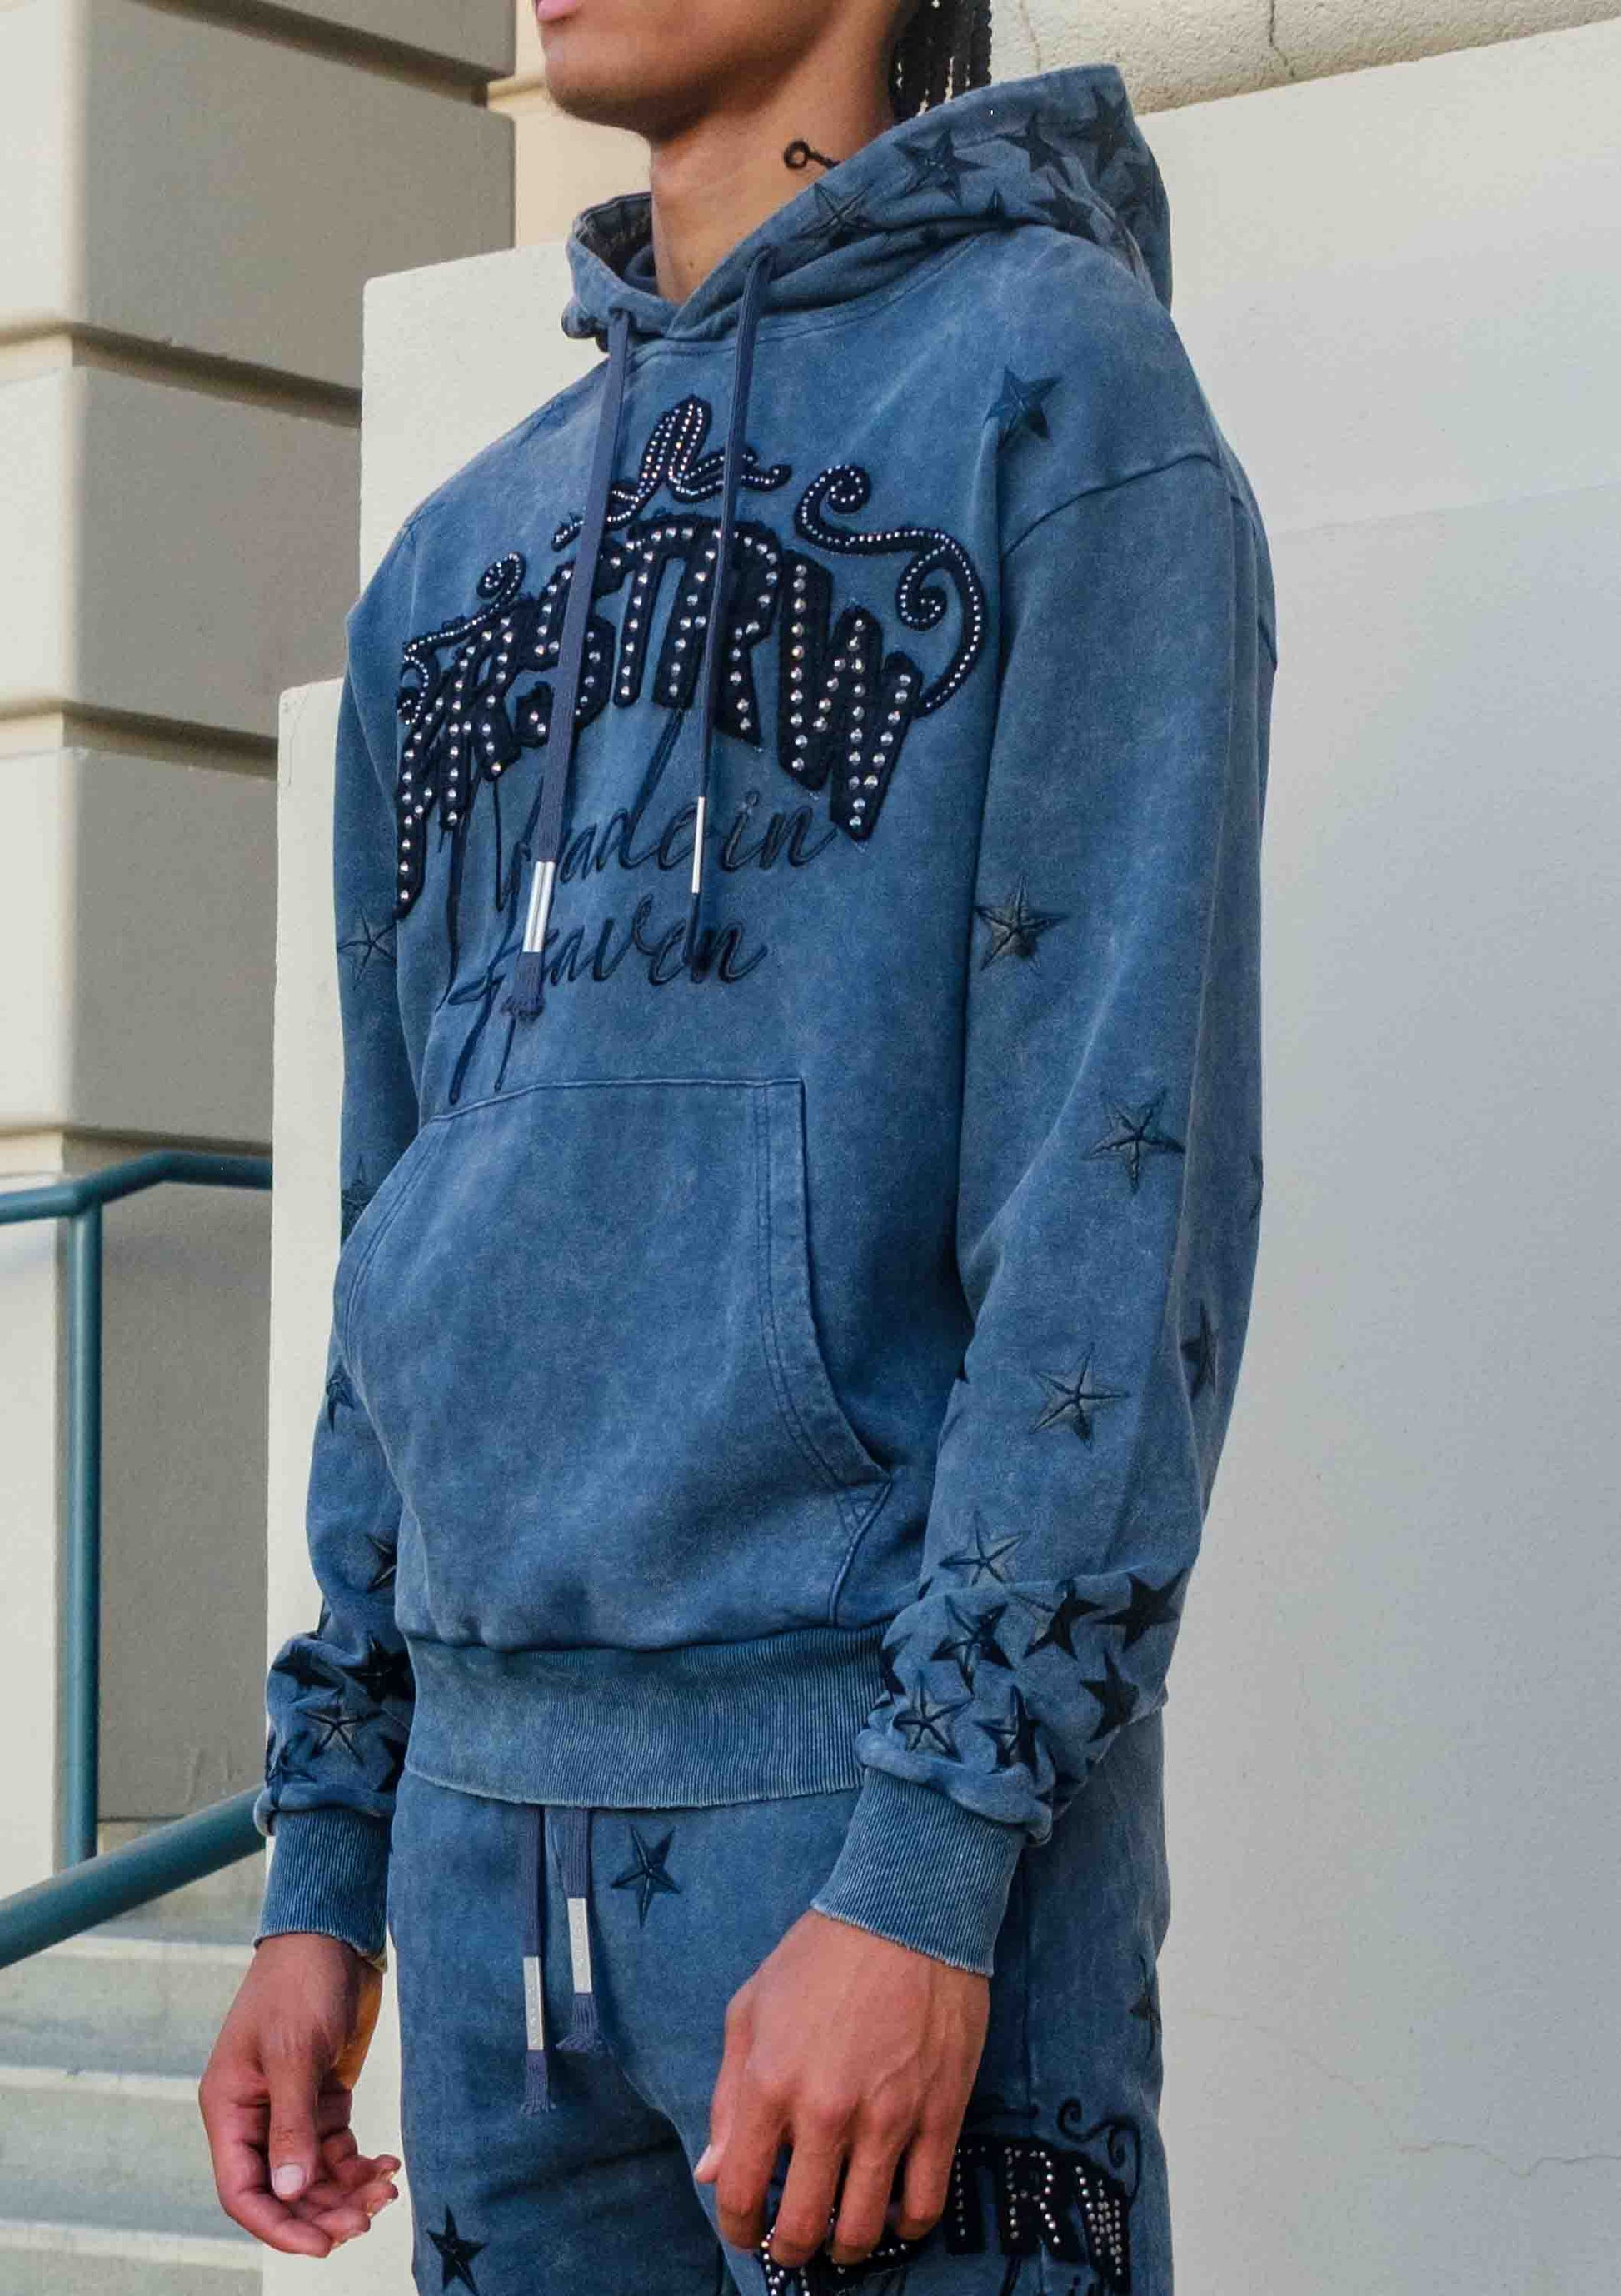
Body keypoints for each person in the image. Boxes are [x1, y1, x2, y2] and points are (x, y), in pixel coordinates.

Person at [200, 0, 1275, 2287]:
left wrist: (930, 1856)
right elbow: (402, 1223)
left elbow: (1120, 1175)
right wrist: (329, 1854)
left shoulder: (1054, 395)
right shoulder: (459, 553)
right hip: (479, 1850)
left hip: (852, 1814)